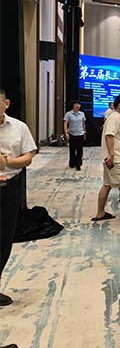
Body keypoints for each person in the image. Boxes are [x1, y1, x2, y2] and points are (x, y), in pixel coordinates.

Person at [0, 88, 38, 308]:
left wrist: (7, 162)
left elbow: (28, 157)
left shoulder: (18, 127)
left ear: (6, 103)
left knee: (5, 238)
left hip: (10, 188)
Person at [91, 94, 120, 221]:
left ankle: (100, 213)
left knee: (107, 185)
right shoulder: (115, 117)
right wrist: (111, 155)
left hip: (112, 158)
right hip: (116, 159)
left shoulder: (116, 117)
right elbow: (109, 136)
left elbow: (117, 137)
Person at [63, 100, 86, 171]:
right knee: (72, 149)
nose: (77, 106)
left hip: (80, 134)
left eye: (78, 105)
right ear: (73, 106)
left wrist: (84, 132)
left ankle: (78, 164)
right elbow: (65, 124)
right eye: (76, 105)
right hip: (72, 134)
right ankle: (72, 163)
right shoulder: (68, 114)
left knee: (80, 150)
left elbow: (83, 123)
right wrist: (66, 133)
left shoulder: (82, 114)